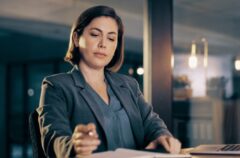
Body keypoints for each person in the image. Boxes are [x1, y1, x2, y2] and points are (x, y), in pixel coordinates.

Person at [37, 5, 181, 157]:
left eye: (111, 38)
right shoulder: (56, 86)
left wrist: (163, 137)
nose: (103, 44)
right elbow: (53, 138)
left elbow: (152, 123)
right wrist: (74, 145)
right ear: (76, 38)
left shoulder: (129, 85)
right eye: (95, 35)